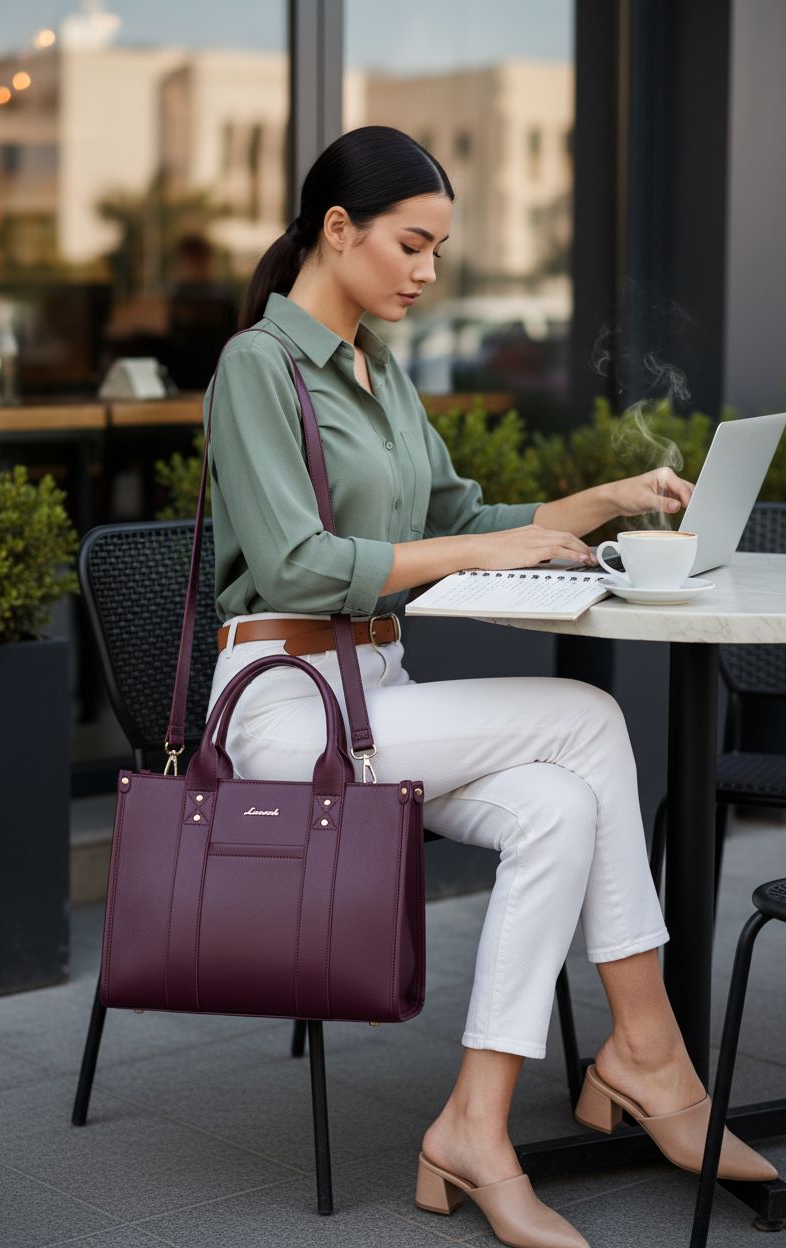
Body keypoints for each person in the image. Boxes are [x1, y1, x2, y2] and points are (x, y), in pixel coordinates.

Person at [203, 126, 777, 1248]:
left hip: (378, 698)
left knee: (559, 805)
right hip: (290, 710)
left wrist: (603, 501)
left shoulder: (380, 371)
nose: (427, 271)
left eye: (437, 252)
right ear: (337, 229)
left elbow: (462, 522)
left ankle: (475, 1122)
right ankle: (649, 1054)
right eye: (412, 245)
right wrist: (480, 558)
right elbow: (295, 565)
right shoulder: (257, 369)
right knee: (587, 716)